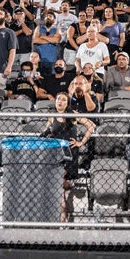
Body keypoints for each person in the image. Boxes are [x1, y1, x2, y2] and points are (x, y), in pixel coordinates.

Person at [41, 90, 95, 220]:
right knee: (59, 188)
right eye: (58, 99)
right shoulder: (52, 117)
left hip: (68, 155)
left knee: (59, 188)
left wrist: (81, 142)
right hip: (54, 155)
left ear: (68, 103)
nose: (60, 101)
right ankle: (61, 216)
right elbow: (44, 134)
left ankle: (61, 219)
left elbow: (91, 126)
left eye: (64, 100)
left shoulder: (73, 115)